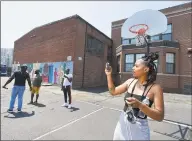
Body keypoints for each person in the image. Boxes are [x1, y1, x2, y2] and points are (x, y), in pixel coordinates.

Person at [105, 52, 164, 140]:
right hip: (122, 125)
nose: (133, 68)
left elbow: (160, 116)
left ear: (146, 69)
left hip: (139, 131)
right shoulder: (130, 82)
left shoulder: (155, 88)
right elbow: (113, 92)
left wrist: (140, 105)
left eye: (136, 66)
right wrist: (109, 75)